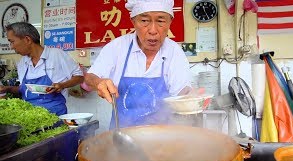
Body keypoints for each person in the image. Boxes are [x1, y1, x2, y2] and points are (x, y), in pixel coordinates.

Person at [85, 0, 192, 129]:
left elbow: (181, 92)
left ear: (170, 22)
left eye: (160, 21)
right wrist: (98, 82)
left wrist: (191, 97)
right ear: (133, 22)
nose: (153, 30)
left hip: (163, 137)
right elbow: (90, 77)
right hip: (122, 136)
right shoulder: (117, 47)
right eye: (144, 21)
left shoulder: (174, 51)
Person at [0, 22, 84, 116]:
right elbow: (25, 89)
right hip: (29, 116)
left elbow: (80, 77)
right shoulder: (22, 63)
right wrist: (7, 89)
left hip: (55, 115)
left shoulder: (56, 55)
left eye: (12, 41)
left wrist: (62, 85)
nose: (11, 46)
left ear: (27, 39)